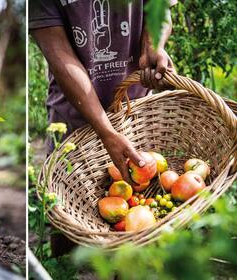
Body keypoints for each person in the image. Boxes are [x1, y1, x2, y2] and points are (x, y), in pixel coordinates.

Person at [30, 0, 176, 256]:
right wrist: (106, 131)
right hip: (74, 118)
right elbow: (57, 50)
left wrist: (152, 45)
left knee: (134, 225)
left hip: (134, 110)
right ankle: (63, 269)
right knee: (66, 215)